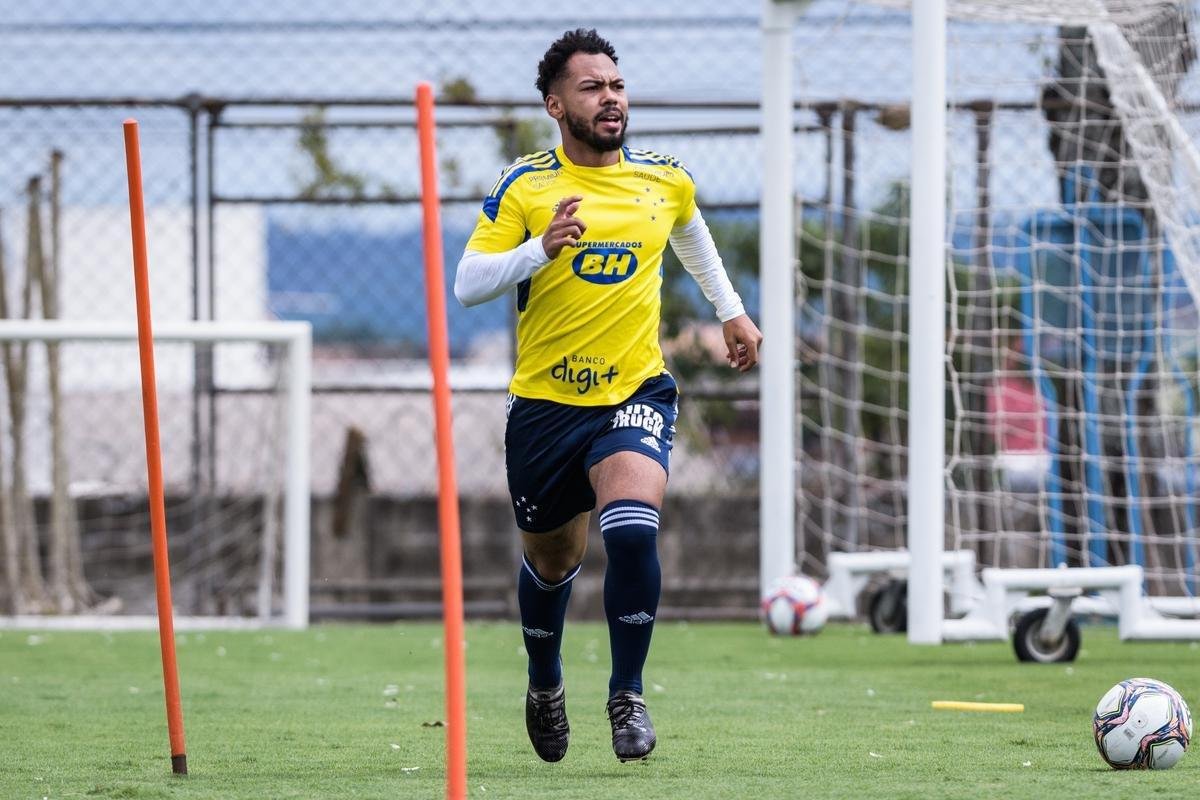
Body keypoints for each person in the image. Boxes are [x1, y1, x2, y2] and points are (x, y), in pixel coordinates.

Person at [454, 28, 762, 764]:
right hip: (543, 409)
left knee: (630, 528)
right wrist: (539, 251)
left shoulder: (663, 178)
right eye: (593, 88)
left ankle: (627, 694)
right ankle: (544, 681)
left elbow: (687, 228)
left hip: (634, 392)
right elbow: (467, 284)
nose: (612, 98)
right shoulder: (524, 185)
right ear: (557, 105)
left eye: (617, 85)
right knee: (554, 561)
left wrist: (730, 310)